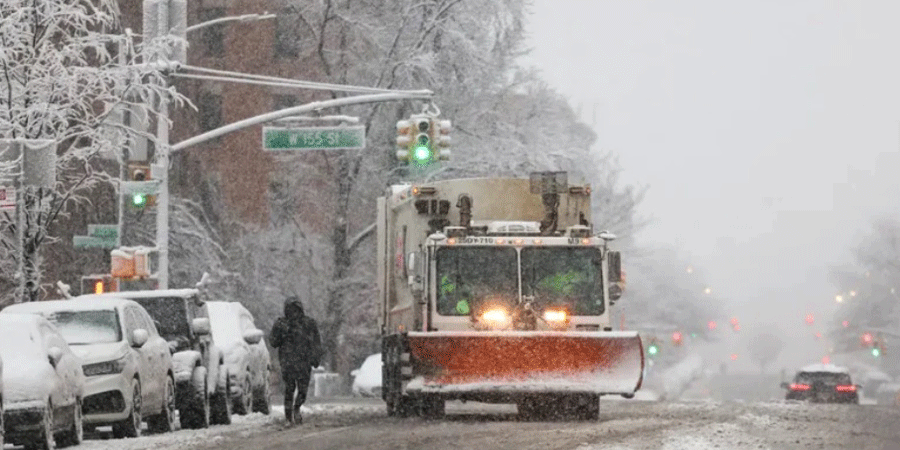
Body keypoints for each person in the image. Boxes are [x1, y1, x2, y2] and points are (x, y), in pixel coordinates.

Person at [269, 296, 322, 425]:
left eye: (295, 310)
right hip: (288, 362)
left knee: (303, 390)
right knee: (289, 389)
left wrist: (315, 358)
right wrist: (280, 332)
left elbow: (316, 342)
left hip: (304, 361)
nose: (293, 313)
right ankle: (288, 416)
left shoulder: (309, 324)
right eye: (290, 310)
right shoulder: (281, 324)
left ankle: (297, 407)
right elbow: (273, 342)